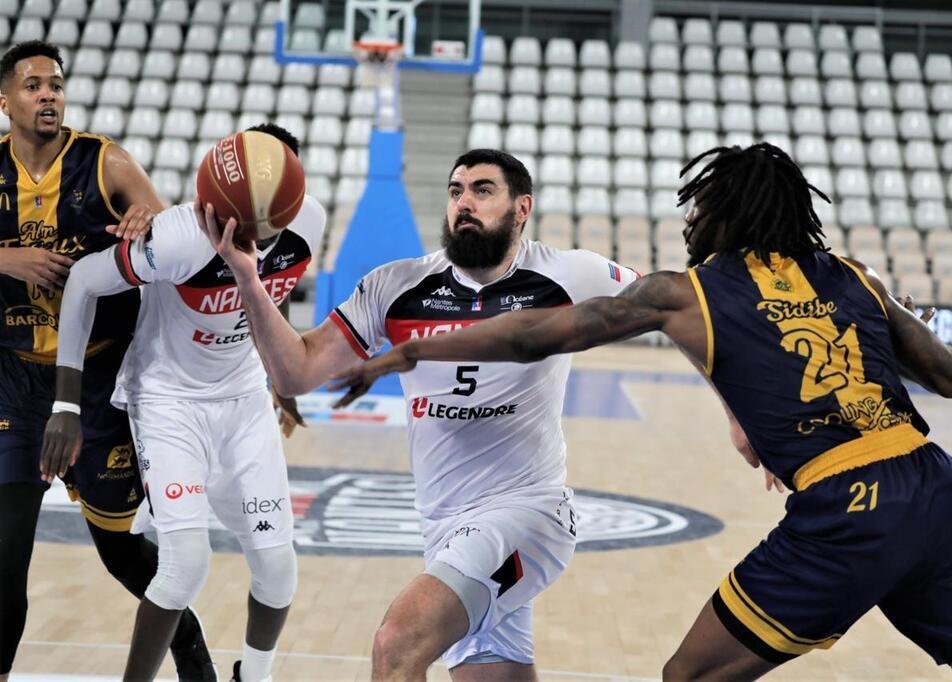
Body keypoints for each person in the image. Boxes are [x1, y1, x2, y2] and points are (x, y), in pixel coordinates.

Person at [332, 143, 952, 681]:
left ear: (728, 213)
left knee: (689, 673)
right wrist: (891, 316)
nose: (690, 220)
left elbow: (531, 333)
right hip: (938, 491)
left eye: (700, 208)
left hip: (848, 507)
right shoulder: (853, 275)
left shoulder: (687, 292)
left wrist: (412, 355)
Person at [195, 148, 642, 680]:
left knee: (398, 643)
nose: (464, 203)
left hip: (530, 511)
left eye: (482, 190)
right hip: (445, 525)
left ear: (522, 208)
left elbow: (678, 303)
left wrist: (740, 413)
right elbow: (297, 372)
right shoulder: (398, 287)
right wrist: (248, 279)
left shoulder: (570, 274)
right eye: (456, 192)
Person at [41, 124, 323, 682]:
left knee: (277, 568)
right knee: (184, 566)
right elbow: (82, 281)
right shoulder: (176, 238)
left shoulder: (306, 220)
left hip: (243, 396)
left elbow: (273, 296)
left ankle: (255, 676)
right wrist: (66, 404)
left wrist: (282, 380)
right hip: (169, 399)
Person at [0, 40, 214, 680]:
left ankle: (196, 664)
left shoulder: (106, 161)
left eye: (56, 85)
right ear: (4, 99)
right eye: (34, 84)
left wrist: (149, 215)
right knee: (7, 555)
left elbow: (172, 234)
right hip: (14, 383)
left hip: (96, 382)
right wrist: (6, 259)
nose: (48, 94)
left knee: (125, 556)